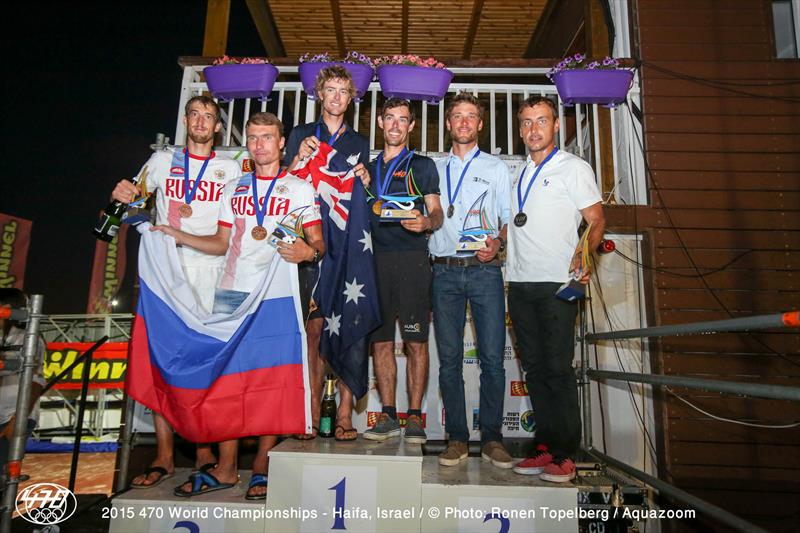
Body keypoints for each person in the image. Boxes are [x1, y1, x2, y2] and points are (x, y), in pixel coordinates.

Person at [153, 112, 323, 499]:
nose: (260, 144)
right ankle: (227, 469)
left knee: (269, 381)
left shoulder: (299, 188)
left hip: (276, 295)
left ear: (283, 144)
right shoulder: (234, 187)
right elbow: (220, 243)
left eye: (267, 137)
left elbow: (318, 243)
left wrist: (308, 252)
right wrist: (175, 235)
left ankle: (262, 465)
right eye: (253, 137)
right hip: (230, 291)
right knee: (228, 381)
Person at [112, 95, 242, 488]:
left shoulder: (230, 168)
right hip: (166, 270)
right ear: (186, 121)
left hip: (212, 269)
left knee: (210, 363)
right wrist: (122, 198)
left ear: (218, 127)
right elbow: (133, 202)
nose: (202, 122)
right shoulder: (160, 162)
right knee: (162, 362)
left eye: (209, 117)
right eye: (195, 115)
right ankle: (165, 456)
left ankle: (204, 449)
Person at [507, 96, 605, 482]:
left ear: (555, 126)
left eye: (541, 121)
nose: (534, 129)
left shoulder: (573, 168)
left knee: (558, 369)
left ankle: (566, 454)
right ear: (520, 129)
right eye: (527, 122)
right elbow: (515, 222)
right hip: (519, 282)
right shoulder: (517, 173)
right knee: (534, 369)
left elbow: (596, 220)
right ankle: (545, 445)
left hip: (557, 283)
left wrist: (586, 254)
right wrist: (497, 242)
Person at [283, 66, 371, 441]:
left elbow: (368, 194)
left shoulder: (360, 141)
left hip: (348, 246)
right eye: (330, 90)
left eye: (343, 91)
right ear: (319, 94)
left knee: (351, 324)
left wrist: (365, 182)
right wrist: (297, 160)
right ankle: (310, 411)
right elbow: (282, 185)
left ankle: (345, 416)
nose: (336, 97)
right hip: (309, 242)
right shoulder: (302, 135)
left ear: (351, 98)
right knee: (313, 331)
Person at [428, 93, 512, 468]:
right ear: (447, 124)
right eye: (457, 116)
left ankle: (493, 438)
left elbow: (509, 220)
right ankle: (457, 438)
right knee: (449, 361)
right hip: (443, 270)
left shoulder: (497, 168)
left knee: (493, 360)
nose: (463, 122)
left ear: (480, 124)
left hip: (484, 271)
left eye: (471, 117)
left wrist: (497, 243)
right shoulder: (432, 168)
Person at [361, 98, 443, 444]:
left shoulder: (422, 166)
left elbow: (437, 212)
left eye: (403, 120)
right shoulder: (366, 168)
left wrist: (427, 222)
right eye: (390, 118)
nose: (395, 125)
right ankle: (389, 416)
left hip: (412, 261)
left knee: (415, 342)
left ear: (411, 127)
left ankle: (414, 418)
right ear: (380, 123)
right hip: (374, 262)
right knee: (380, 342)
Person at [0, 289, 45, 484]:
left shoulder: (28, 337)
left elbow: (35, 382)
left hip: (14, 414)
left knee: (3, 468)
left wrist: (18, 420)